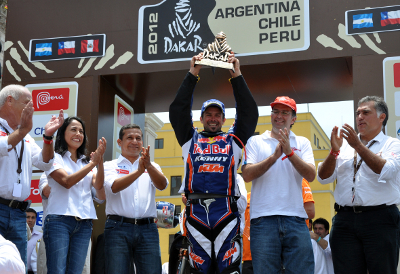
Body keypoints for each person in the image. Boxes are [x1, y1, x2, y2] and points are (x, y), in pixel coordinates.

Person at [169, 52, 258, 274]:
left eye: (217, 115)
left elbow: (249, 113)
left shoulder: (234, 140)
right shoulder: (189, 139)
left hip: (226, 212)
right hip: (195, 212)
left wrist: (236, 75)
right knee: (199, 268)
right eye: (208, 114)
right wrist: (193, 73)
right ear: (201, 118)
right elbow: (178, 110)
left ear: (224, 119)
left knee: (229, 269)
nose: (213, 118)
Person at [317, 96, 400, 274]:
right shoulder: (343, 146)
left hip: (380, 219)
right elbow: (323, 178)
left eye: (366, 112)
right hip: (344, 220)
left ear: (382, 117)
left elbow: (387, 170)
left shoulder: (393, 144)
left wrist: (358, 146)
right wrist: (333, 152)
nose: (359, 117)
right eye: (357, 113)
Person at [242, 96, 316, 274]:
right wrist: (274, 157)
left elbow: (311, 175)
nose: (279, 116)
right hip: (263, 220)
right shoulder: (255, 141)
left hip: (296, 219)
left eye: (285, 112)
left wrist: (290, 153)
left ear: (293, 119)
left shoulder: (303, 142)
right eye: (275, 111)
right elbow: (247, 174)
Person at [0, 84, 64, 266]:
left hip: (19, 212)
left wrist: (48, 137)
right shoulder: (22, 132)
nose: (32, 108)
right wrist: (22, 131)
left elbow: (44, 162)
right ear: (9, 101)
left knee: (17, 267)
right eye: (27, 103)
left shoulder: (26, 137)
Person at [43, 116, 106, 274]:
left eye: (81, 131)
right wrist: (93, 163)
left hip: (84, 223)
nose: (78, 134)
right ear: (63, 133)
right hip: (59, 221)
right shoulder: (54, 157)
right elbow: (66, 181)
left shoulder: (86, 162)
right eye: (73, 130)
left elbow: (98, 186)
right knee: (57, 270)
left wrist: (99, 162)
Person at [103, 124, 168, 274]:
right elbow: (114, 187)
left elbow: (163, 185)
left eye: (138, 138)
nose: (134, 141)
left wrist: (148, 166)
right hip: (117, 227)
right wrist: (139, 171)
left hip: (148, 229)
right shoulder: (110, 165)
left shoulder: (153, 166)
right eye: (129, 138)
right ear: (119, 142)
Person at [37, 172, 106, 274]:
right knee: (52, 270)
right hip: (54, 231)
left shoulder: (88, 172)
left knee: (80, 271)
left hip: (81, 229)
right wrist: (66, 177)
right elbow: (47, 192)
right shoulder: (50, 171)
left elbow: (101, 197)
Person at [26, 208, 42, 274]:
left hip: (34, 272)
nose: (30, 220)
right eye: (27, 217)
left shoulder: (41, 236)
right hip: (18, 270)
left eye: (33, 218)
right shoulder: (15, 236)